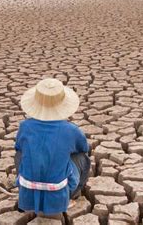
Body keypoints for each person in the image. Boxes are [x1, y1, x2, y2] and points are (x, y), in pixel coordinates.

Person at [14, 78, 91, 216]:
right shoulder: (70, 130)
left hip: (28, 192)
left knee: (20, 153)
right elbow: (83, 147)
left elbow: (18, 146)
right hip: (58, 194)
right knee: (82, 158)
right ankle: (70, 196)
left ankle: (25, 195)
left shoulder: (24, 127)